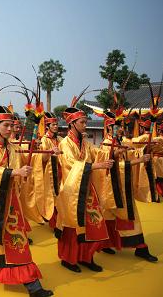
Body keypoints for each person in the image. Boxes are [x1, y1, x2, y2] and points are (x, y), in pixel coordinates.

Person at [0, 105, 53, 297]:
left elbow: (29, 161)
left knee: (19, 243)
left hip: (12, 202)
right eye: (6, 126)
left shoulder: (13, 148)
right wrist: (14, 172)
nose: (10, 129)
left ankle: (33, 286)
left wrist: (41, 158)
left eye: (12, 126)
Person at [55, 107, 113, 273]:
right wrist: (96, 165)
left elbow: (97, 153)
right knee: (72, 227)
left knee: (91, 225)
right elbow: (70, 165)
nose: (85, 125)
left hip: (86, 189)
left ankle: (87, 257)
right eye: (82, 122)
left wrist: (111, 150)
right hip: (70, 191)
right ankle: (68, 259)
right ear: (72, 124)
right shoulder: (65, 144)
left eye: (86, 122)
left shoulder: (85, 143)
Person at [98, 115, 158, 262]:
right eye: (117, 127)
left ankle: (133, 245)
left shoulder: (122, 141)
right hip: (113, 186)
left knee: (120, 215)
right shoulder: (106, 144)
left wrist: (145, 150)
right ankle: (137, 247)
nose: (121, 130)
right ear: (109, 128)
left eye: (121, 126)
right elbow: (111, 166)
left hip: (124, 184)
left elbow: (130, 154)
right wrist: (138, 160)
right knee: (116, 215)